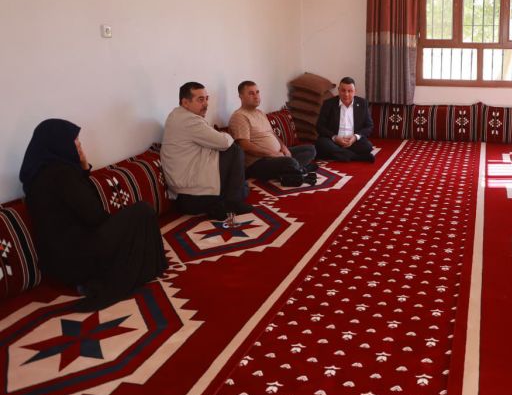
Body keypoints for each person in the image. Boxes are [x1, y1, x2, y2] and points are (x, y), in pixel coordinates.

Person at [19, 119, 167, 311]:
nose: (80, 147)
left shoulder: (38, 176)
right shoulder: (62, 175)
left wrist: (83, 169)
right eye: (75, 143)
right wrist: (120, 232)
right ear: (59, 145)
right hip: (78, 257)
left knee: (129, 219)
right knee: (142, 211)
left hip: (57, 263)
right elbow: (94, 216)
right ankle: (141, 269)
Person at [161, 82, 251, 220]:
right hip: (191, 196)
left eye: (206, 98)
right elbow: (224, 142)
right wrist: (225, 135)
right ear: (185, 102)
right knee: (235, 150)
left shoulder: (176, 115)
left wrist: (220, 137)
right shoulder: (189, 120)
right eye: (200, 100)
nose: (206, 104)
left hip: (185, 193)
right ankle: (232, 203)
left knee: (243, 186)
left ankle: (229, 199)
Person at [229, 81, 317, 185]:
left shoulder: (260, 113)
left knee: (310, 149)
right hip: (258, 162)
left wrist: (283, 147)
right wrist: (273, 154)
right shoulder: (239, 116)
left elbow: (272, 134)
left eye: (257, 92)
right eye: (251, 93)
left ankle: (295, 170)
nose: (256, 96)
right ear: (241, 96)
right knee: (290, 162)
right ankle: (298, 169)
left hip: (277, 155)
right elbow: (245, 146)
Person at [315, 76, 375, 163]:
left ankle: (338, 154)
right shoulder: (328, 103)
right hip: (333, 141)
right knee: (321, 144)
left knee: (367, 146)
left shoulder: (362, 103)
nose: (346, 94)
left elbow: (369, 126)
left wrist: (355, 137)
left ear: (355, 91)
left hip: (352, 142)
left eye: (350, 91)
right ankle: (356, 157)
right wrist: (335, 138)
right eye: (343, 90)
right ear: (338, 90)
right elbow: (320, 126)